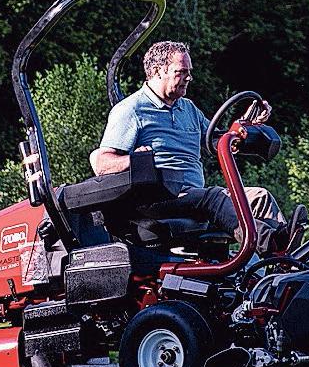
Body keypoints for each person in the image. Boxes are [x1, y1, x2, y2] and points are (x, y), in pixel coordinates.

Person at [90, 40, 287, 250]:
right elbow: (101, 162)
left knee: (259, 197)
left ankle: (289, 260)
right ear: (158, 71)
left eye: (189, 71)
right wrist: (137, 160)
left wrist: (245, 126)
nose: (189, 77)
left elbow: (217, 141)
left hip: (192, 194)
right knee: (213, 198)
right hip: (158, 199)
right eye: (182, 71)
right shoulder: (131, 110)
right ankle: (272, 243)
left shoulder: (188, 108)